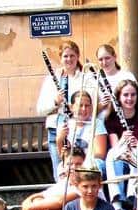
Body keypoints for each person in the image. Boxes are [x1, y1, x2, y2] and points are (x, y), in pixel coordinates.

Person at [37, 40, 95, 179]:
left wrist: (75, 108)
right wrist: (55, 102)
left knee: (79, 171)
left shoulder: (86, 78)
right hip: (55, 130)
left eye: (72, 56)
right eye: (65, 56)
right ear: (61, 58)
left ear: (77, 57)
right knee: (61, 170)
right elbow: (40, 110)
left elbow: (92, 103)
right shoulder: (51, 79)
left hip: (78, 129)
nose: (69, 59)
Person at [104, 79, 138, 210]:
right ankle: (117, 200)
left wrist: (137, 144)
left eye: (133, 95)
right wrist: (123, 140)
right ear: (119, 98)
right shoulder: (112, 118)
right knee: (111, 155)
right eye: (125, 95)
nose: (129, 98)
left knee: (135, 151)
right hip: (121, 154)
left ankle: (133, 196)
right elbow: (116, 147)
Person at [55, 90, 108, 178]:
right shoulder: (65, 124)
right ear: (72, 107)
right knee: (61, 167)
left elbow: (100, 154)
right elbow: (63, 156)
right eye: (80, 105)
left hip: (90, 160)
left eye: (87, 106)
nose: (83, 109)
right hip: (72, 162)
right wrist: (60, 139)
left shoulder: (97, 123)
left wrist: (81, 161)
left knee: (94, 165)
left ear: (91, 108)